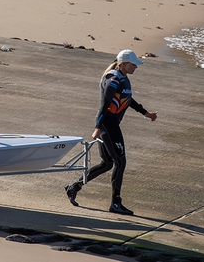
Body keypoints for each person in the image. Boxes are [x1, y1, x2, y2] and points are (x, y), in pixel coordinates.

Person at [64, 49, 158, 215]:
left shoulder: (123, 78)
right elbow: (105, 103)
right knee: (120, 162)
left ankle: (74, 187)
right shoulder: (113, 79)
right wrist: (98, 127)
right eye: (133, 64)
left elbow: (128, 99)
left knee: (107, 163)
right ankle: (116, 203)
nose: (136, 67)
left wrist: (146, 113)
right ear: (123, 64)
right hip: (107, 124)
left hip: (110, 124)